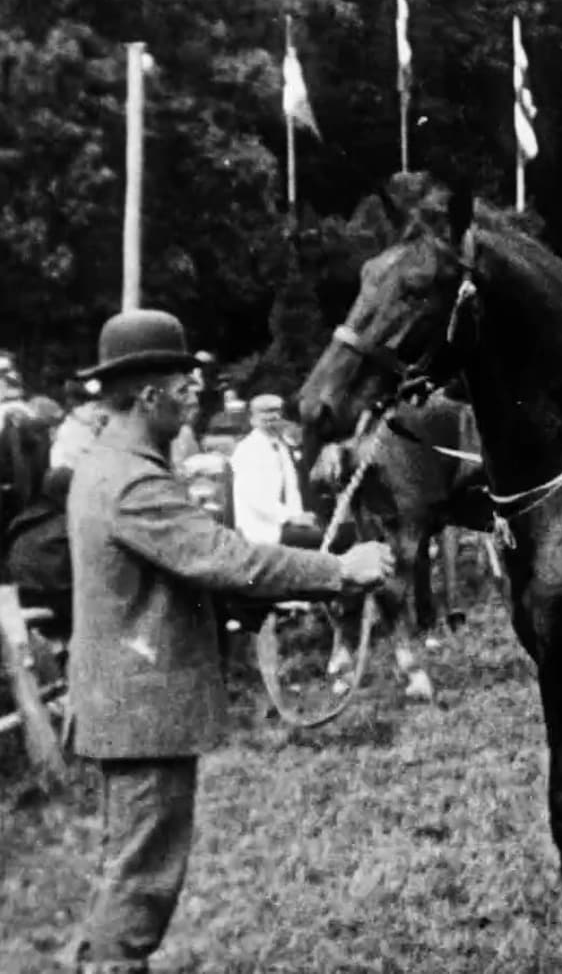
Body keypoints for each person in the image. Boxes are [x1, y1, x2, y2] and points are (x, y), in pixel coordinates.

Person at [62, 308, 394, 974]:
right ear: (148, 394)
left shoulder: (113, 465)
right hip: (141, 711)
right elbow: (227, 559)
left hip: (129, 705)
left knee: (130, 868)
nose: (197, 393)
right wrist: (340, 570)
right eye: (184, 383)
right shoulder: (131, 481)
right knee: (140, 879)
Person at [231, 392, 317, 547]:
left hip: (284, 523)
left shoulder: (281, 445)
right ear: (253, 420)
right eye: (265, 416)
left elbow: (292, 488)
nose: (272, 420)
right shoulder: (248, 449)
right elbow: (255, 498)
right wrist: (291, 517)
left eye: (276, 414)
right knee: (324, 538)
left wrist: (299, 515)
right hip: (261, 528)